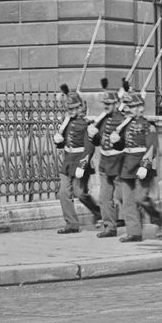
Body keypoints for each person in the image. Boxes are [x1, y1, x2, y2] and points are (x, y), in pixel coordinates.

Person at [116, 87, 162, 242]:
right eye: (128, 107)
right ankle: (134, 233)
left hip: (142, 165)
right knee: (128, 200)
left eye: (131, 107)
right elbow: (123, 145)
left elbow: (152, 146)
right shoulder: (126, 124)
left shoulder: (148, 125)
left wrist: (145, 165)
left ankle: (158, 219)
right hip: (127, 164)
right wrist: (116, 142)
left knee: (141, 198)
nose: (128, 109)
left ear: (140, 108)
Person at [53, 83, 100, 234]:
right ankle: (72, 224)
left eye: (75, 108)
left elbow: (89, 147)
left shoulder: (86, 124)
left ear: (81, 108)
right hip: (68, 162)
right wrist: (58, 141)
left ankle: (98, 212)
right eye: (70, 109)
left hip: (80, 163)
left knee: (80, 193)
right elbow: (64, 144)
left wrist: (83, 164)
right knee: (63, 193)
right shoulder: (66, 123)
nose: (72, 111)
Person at [93, 78, 126, 239]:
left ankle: (135, 221)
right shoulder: (103, 119)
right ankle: (110, 227)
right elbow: (98, 139)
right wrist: (93, 136)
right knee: (104, 198)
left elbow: (128, 142)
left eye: (109, 104)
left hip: (119, 163)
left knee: (122, 197)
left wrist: (118, 140)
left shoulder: (123, 120)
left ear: (115, 104)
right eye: (104, 104)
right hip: (105, 164)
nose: (105, 107)